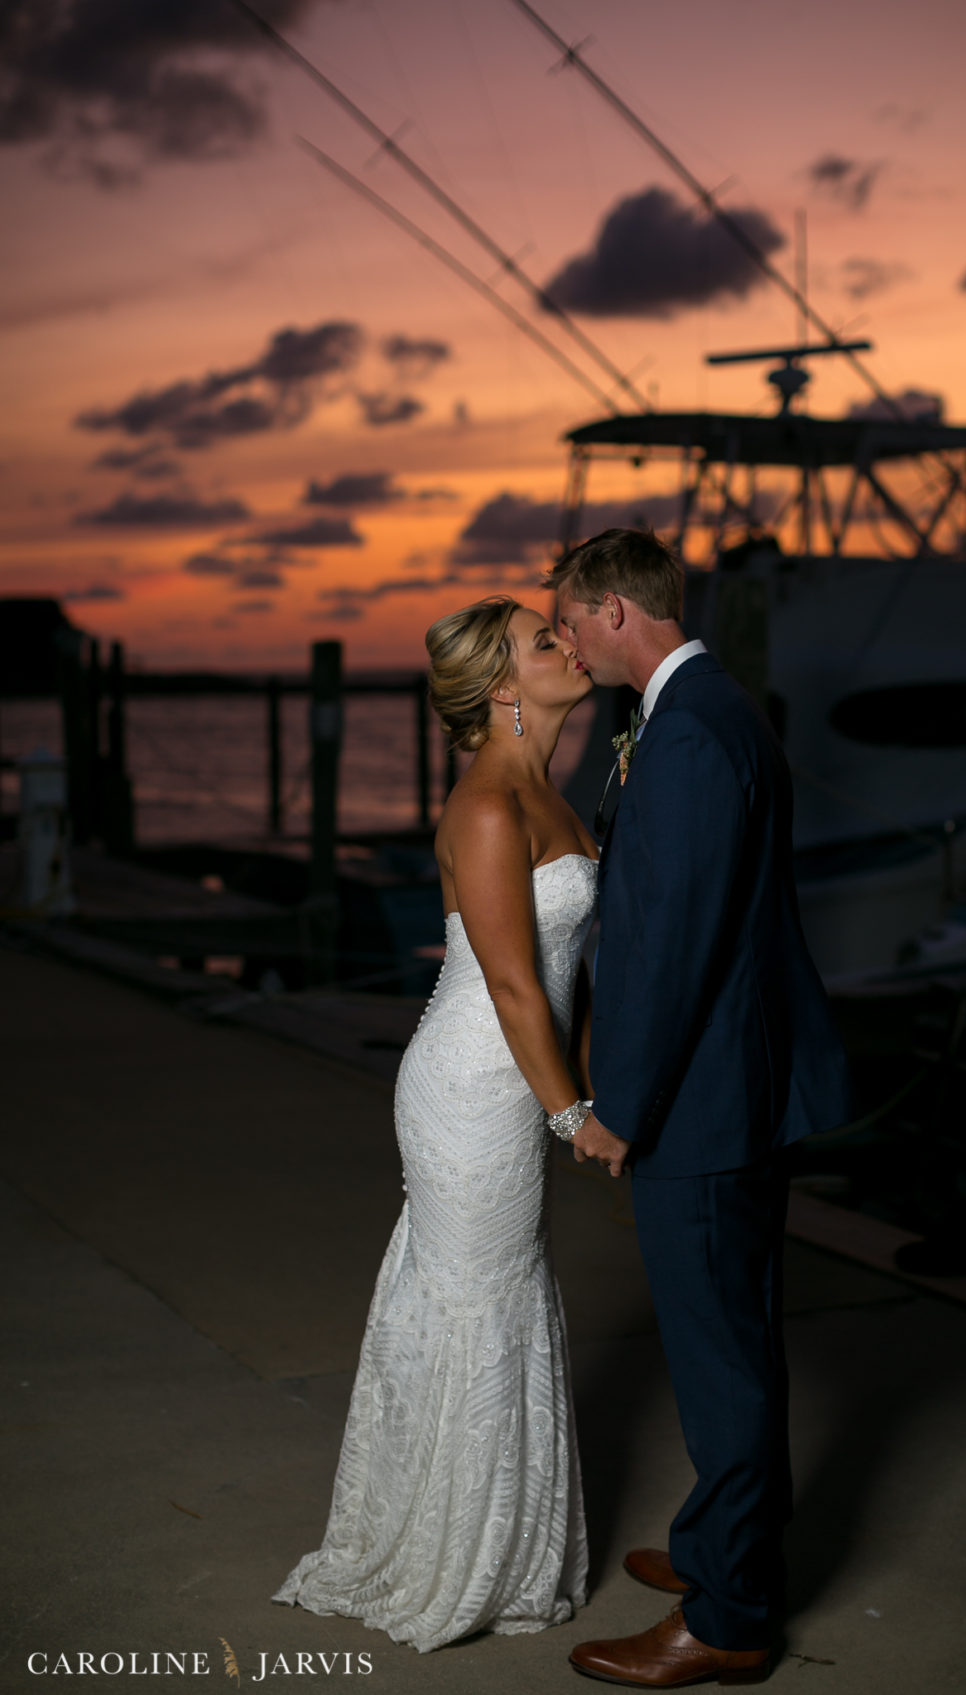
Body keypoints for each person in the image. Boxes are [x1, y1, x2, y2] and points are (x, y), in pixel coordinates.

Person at [548, 529, 852, 1688]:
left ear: (615, 613)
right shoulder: (709, 710)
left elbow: (671, 946)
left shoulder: (683, 737)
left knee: (719, 1360)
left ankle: (726, 1617)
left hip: (704, 1104)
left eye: (571, 622)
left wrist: (619, 1105)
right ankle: (720, 1545)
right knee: (738, 1340)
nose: (568, 644)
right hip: (738, 1082)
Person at [274, 596, 598, 1652]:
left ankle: (496, 1548)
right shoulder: (490, 806)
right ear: (503, 688)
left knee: (502, 1296)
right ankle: (447, 1559)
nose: (567, 644)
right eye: (544, 640)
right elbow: (512, 985)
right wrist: (573, 1114)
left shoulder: (544, 790)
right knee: (477, 1304)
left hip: (513, 1076)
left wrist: (586, 1077)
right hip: (472, 1088)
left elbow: (567, 973)